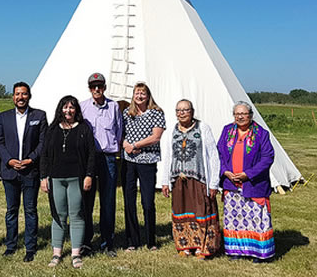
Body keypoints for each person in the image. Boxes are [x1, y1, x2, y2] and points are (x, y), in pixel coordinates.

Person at [40, 95, 95, 269]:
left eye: (71, 107)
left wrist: (89, 175)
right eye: (65, 107)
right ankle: (57, 253)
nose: (68, 111)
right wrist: (43, 177)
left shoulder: (84, 129)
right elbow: (45, 155)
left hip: (76, 178)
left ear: (76, 110)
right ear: (60, 109)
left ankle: (76, 254)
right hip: (56, 177)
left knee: (77, 215)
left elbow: (91, 154)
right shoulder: (53, 129)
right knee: (58, 216)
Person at [161, 99, 221, 259]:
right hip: (179, 180)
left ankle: (203, 246)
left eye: (185, 110)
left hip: (199, 178)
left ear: (192, 112)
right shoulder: (171, 131)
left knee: (201, 210)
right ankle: (185, 245)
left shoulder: (202, 128)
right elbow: (168, 156)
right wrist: (165, 181)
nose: (181, 113)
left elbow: (213, 155)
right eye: (178, 110)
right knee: (181, 211)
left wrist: (214, 181)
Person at [217, 101, 275, 263]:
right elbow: (219, 154)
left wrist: (247, 174)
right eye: (237, 114)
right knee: (235, 218)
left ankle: (258, 252)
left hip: (253, 184)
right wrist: (225, 172)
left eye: (243, 114)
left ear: (250, 115)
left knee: (255, 218)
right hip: (231, 183)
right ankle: (235, 250)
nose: (240, 117)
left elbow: (267, 157)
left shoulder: (261, 134)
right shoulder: (227, 131)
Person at [0, 82, 47, 262]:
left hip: (30, 171)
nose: (20, 97)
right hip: (10, 171)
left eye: (24, 94)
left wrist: (31, 159)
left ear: (29, 96)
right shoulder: (3, 118)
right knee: (11, 210)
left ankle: (30, 247)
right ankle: (11, 245)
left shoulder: (39, 116)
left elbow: (43, 143)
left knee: (30, 210)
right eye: (17, 94)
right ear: (13, 97)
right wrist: (9, 160)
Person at [80, 72, 123, 257]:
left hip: (108, 158)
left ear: (105, 87)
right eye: (93, 86)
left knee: (108, 201)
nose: (96, 89)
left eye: (100, 86)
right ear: (89, 88)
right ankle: (87, 242)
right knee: (86, 202)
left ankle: (107, 242)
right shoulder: (82, 107)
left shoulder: (113, 107)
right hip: (88, 159)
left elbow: (119, 131)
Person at [121, 82, 166, 251]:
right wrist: (125, 143)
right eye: (137, 93)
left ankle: (150, 239)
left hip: (147, 161)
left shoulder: (156, 113)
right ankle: (132, 239)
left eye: (143, 93)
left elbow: (156, 136)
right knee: (129, 201)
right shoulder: (127, 113)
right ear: (133, 95)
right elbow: (120, 133)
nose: (139, 96)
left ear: (148, 96)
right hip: (129, 161)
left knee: (147, 202)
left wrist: (136, 145)